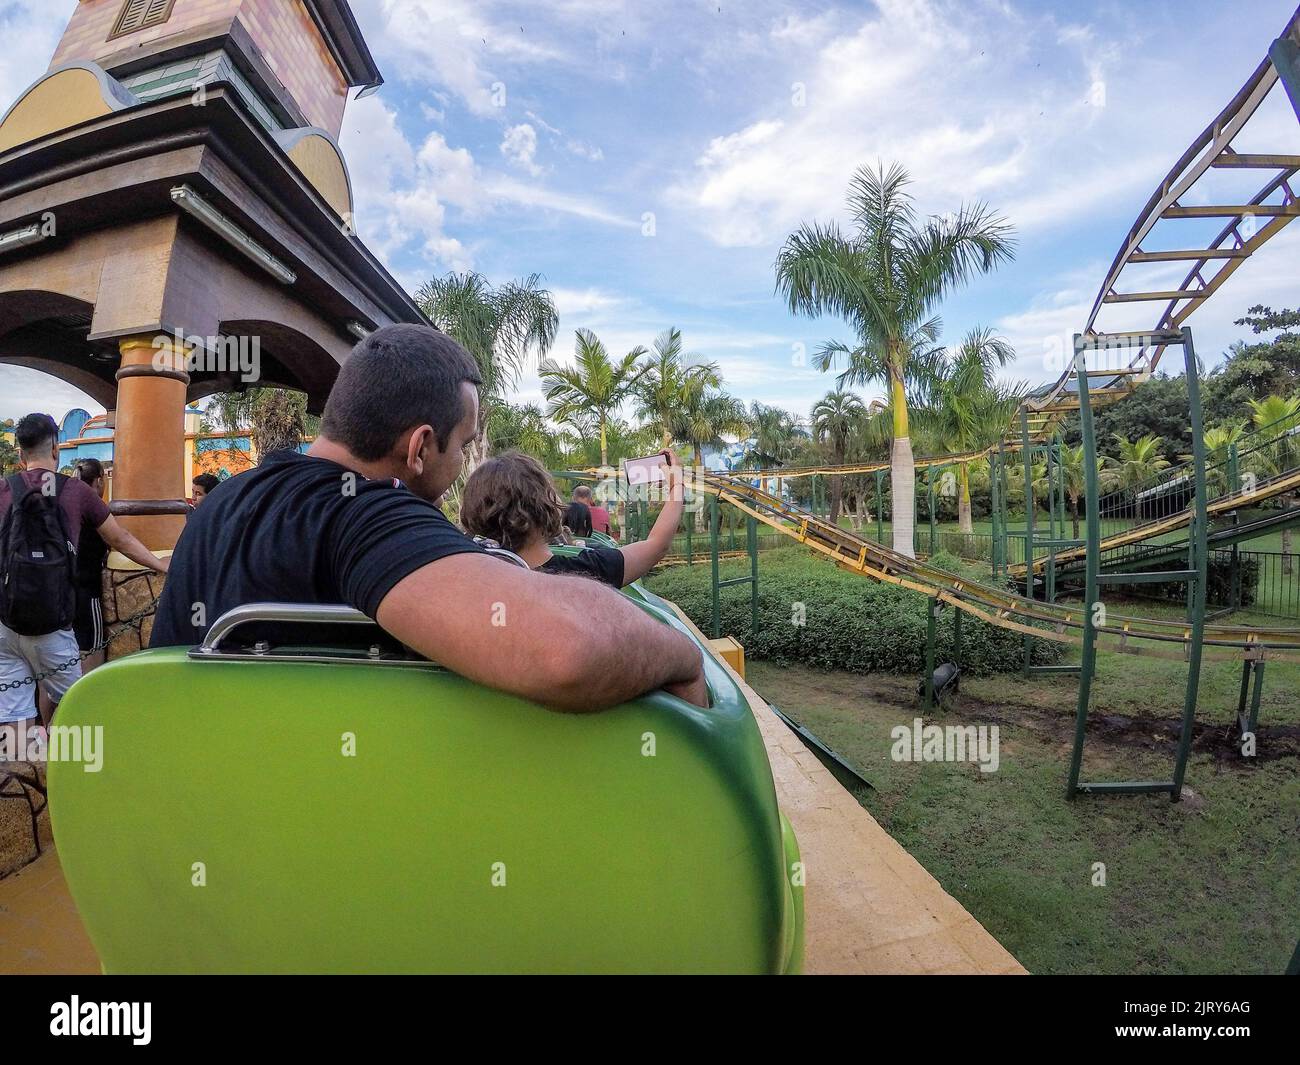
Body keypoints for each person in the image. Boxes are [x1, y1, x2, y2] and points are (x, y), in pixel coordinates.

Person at [149, 325, 706, 712]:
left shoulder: (220, 502)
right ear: (419, 447)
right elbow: (568, 649)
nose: (462, 460)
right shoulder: (365, 515)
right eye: (462, 444)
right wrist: (683, 653)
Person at [0, 414, 169, 731]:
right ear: (56, 449)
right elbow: (121, 539)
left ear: (20, 454)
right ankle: (72, 773)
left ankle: (21, 776)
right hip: (54, 623)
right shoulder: (77, 492)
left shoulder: (4, 490)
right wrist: (160, 564)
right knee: (78, 711)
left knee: (13, 716)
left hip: (6, 624)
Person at [461, 449, 685, 589]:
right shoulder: (584, 572)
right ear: (545, 504)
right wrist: (677, 485)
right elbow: (657, 545)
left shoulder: (473, 580)